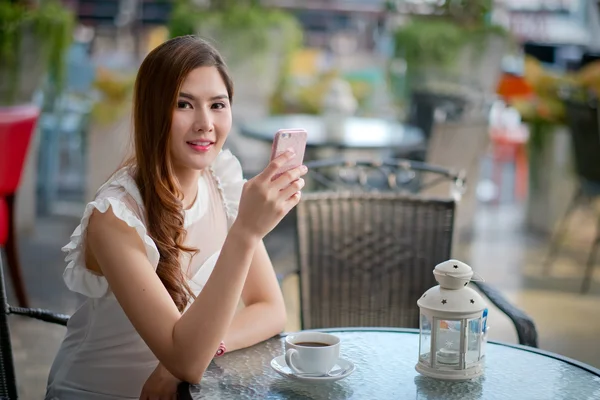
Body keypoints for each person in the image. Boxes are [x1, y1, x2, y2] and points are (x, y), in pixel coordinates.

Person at [45, 35, 307, 400]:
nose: (205, 123)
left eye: (218, 105)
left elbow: (270, 310)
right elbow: (186, 359)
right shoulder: (116, 217)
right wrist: (246, 232)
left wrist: (198, 353)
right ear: (154, 111)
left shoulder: (222, 180)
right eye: (184, 104)